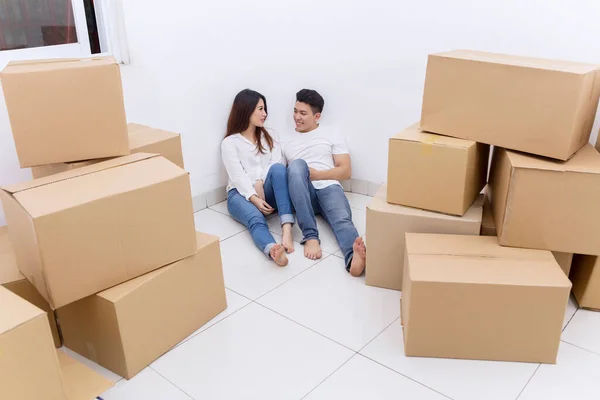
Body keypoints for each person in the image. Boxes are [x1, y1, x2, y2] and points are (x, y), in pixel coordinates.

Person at [283, 89, 366, 276]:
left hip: (329, 186)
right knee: (296, 166)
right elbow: (281, 176)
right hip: (302, 192)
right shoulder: (284, 139)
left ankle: (354, 259)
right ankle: (311, 236)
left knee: (342, 220)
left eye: (303, 113)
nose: (297, 117)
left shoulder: (331, 133)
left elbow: (345, 170)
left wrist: (317, 175)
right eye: (295, 111)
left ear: (317, 116)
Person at [221, 89, 295, 266]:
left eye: (265, 109)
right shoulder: (230, 143)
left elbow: (276, 162)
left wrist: (260, 181)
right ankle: (272, 249)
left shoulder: (270, 135)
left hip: (266, 191)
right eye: (260, 109)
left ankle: (286, 228)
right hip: (239, 194)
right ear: (246, 110)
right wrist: (253, 197)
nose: (265, 114)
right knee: (255, 219)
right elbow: (237, 175)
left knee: (278, 169)